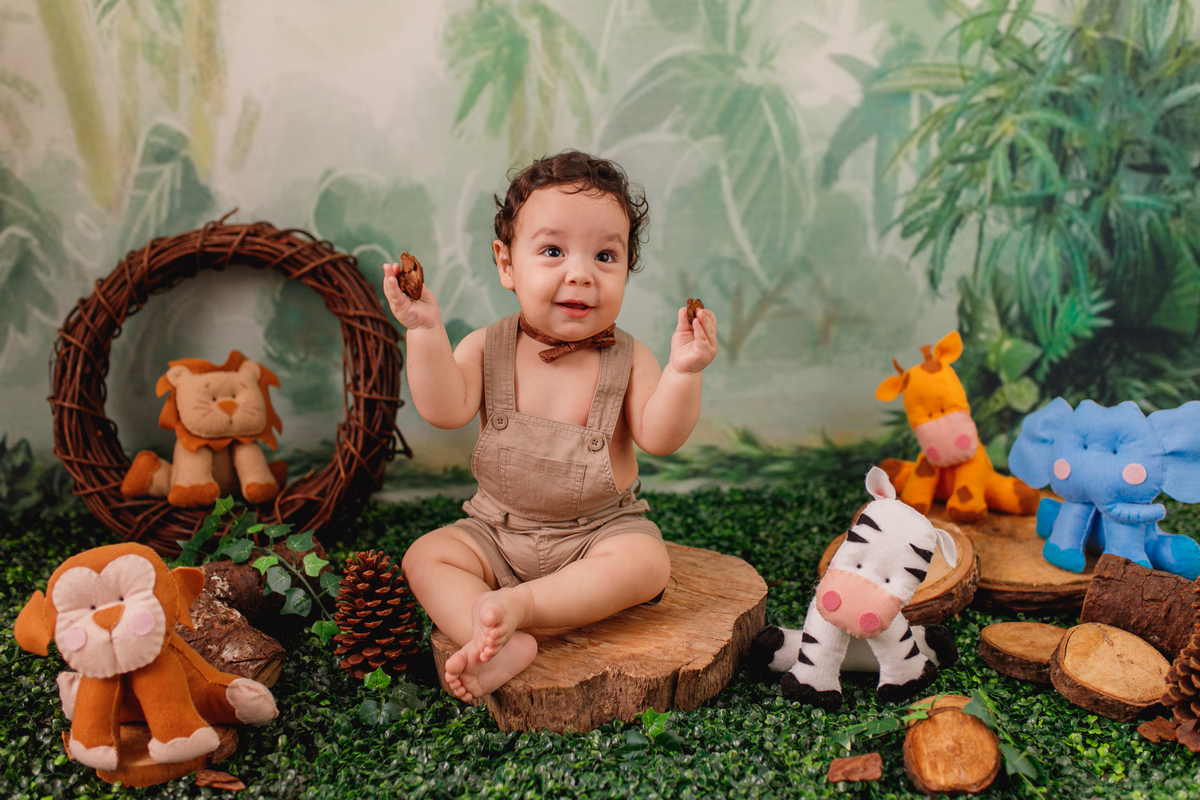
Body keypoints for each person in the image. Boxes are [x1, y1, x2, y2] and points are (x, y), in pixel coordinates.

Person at [382, 151, 718, 702]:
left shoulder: (632, 359)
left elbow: (660, 437)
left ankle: (525, 608)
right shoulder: (485, 347)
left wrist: (683, 373)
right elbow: (444, 409)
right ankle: (495, 638)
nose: (580, 273)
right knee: (426, 556)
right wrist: (424, 331)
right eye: (553, 250)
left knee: (646, 561)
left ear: (625, 270)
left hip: (596, 533)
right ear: (507, 262)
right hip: (496, 531)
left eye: (605, 255)